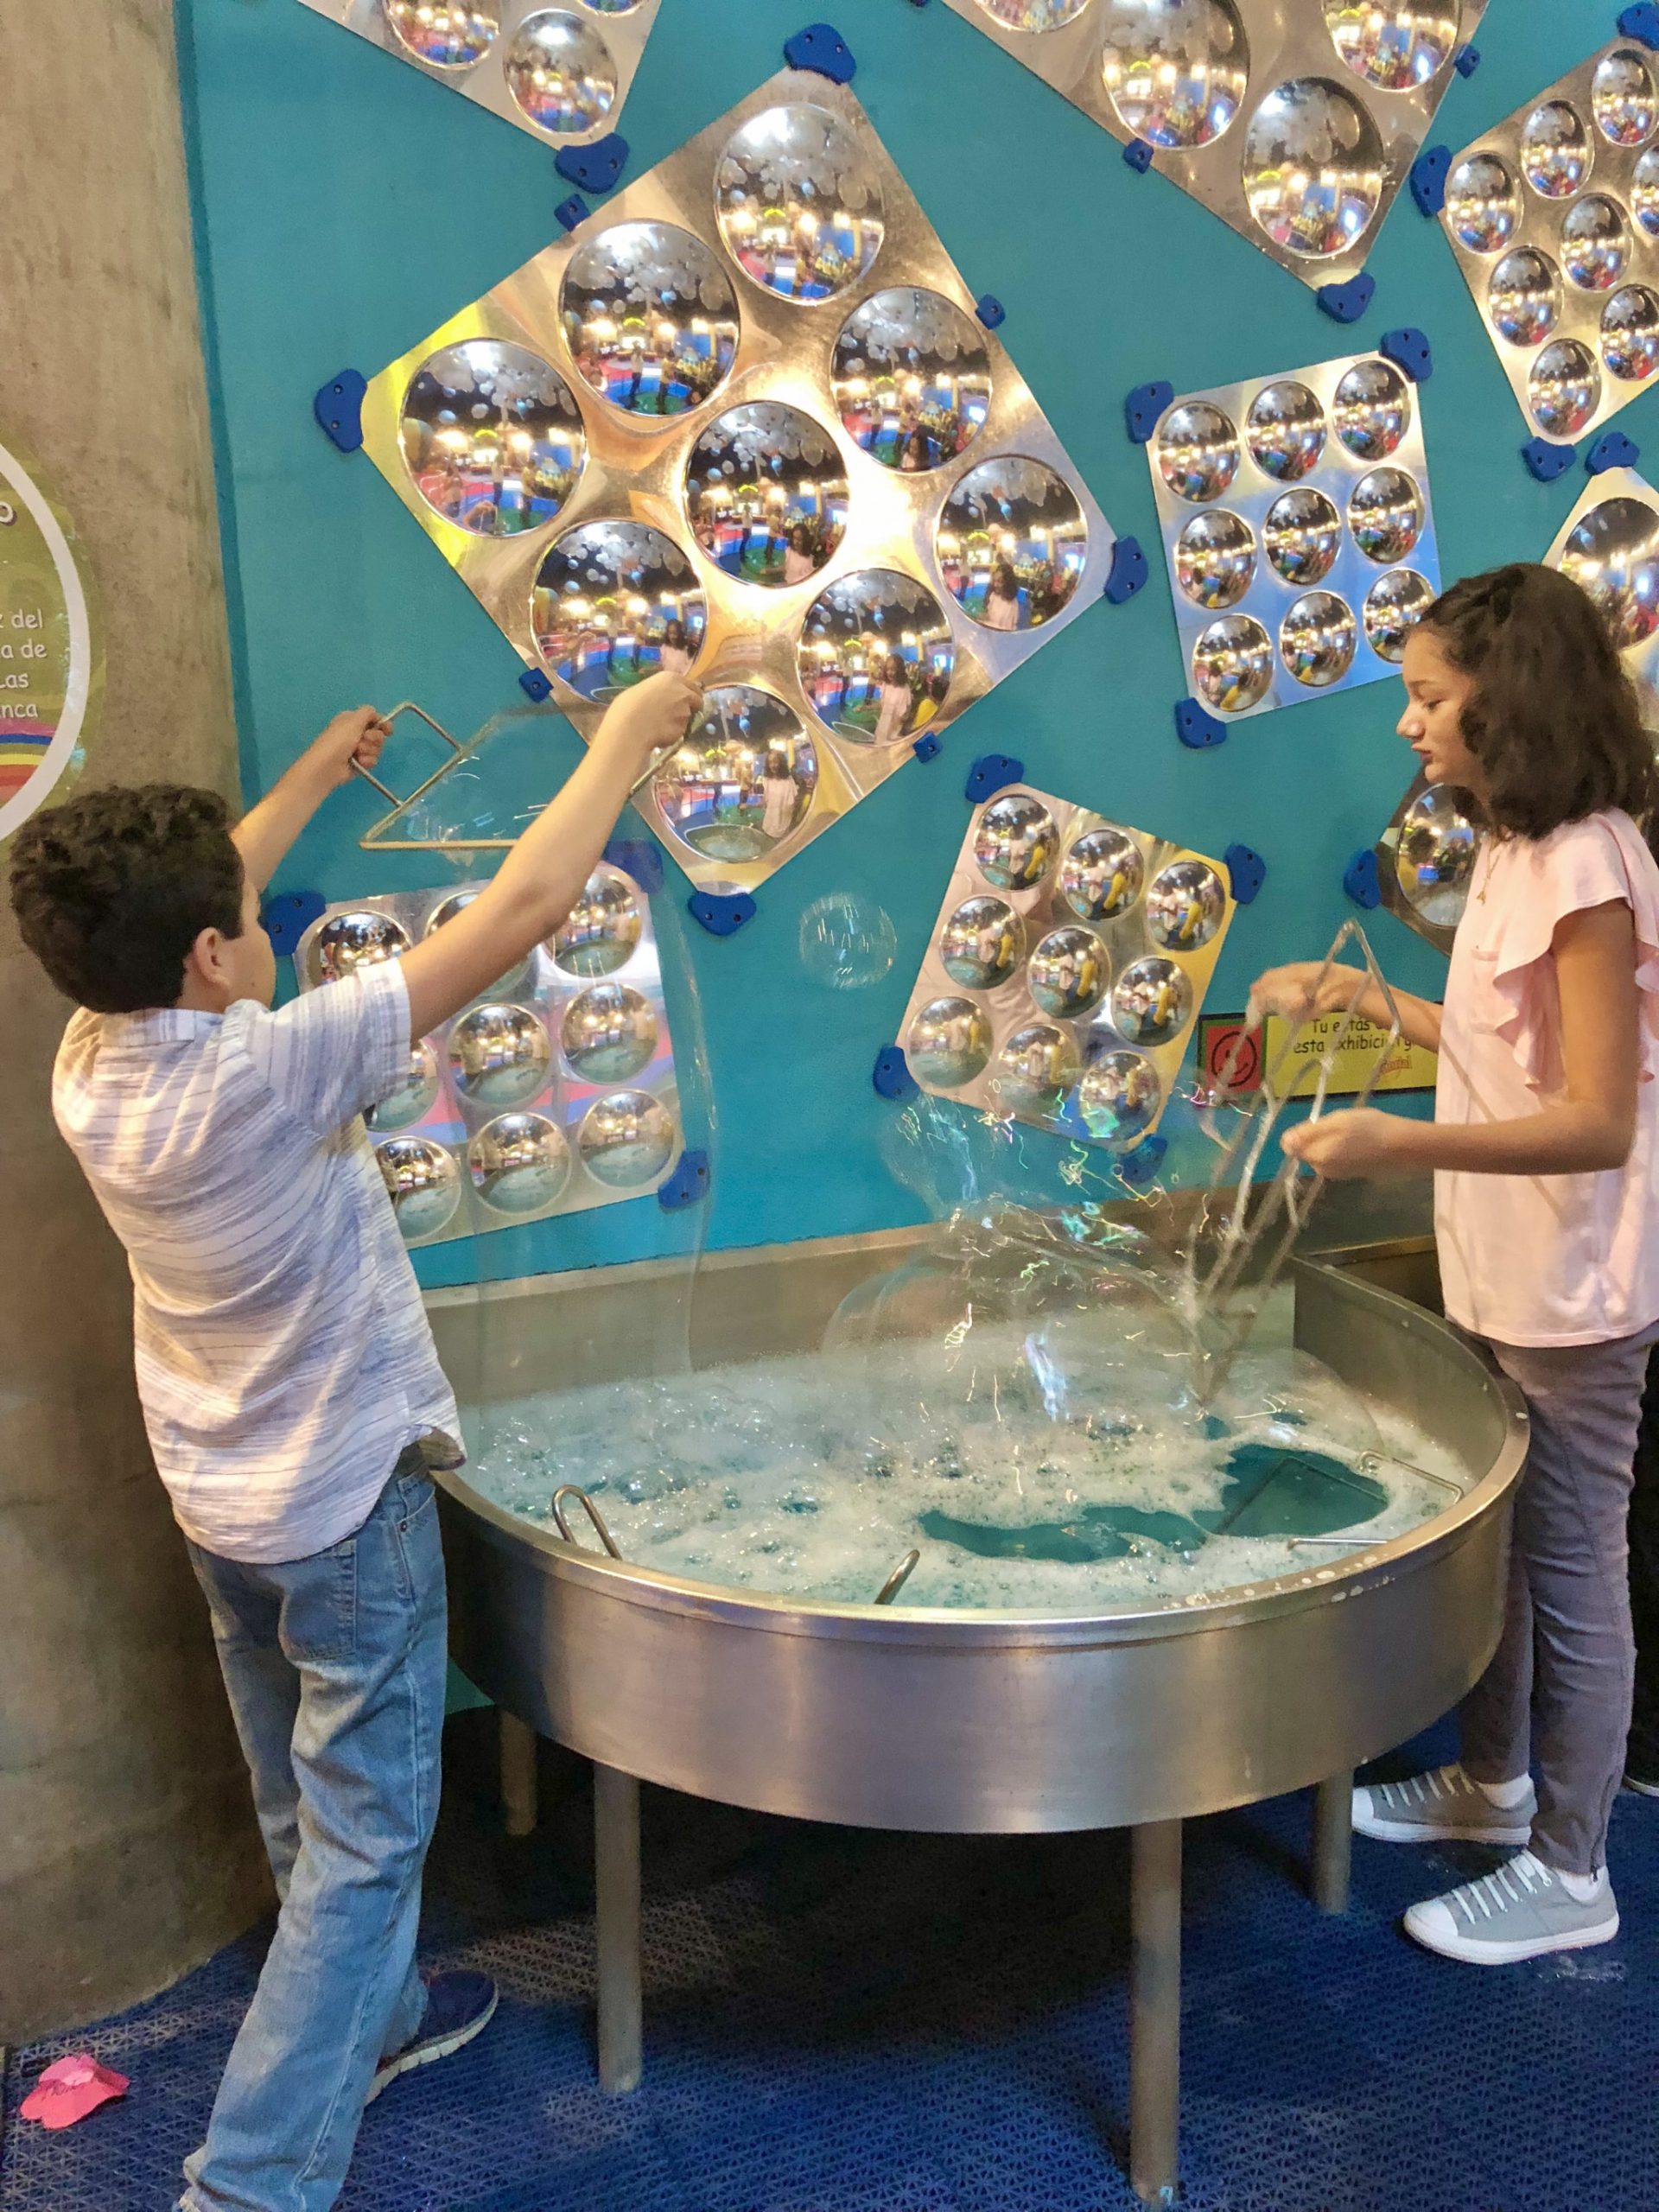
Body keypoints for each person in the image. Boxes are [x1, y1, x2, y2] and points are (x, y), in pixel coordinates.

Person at [7, 671, 702, 2211]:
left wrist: (317, 771)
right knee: (368, 1843)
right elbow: (524, 908)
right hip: (342, 1508)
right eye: (236, 914)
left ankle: (371, 2022)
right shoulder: (272, 1064)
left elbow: (200, 897)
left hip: (219, 1498)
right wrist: (622, 743)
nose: (260, 919)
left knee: (296, 1794)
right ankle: (249, 2183)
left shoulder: (92, 1058)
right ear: (208, 955)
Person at [1251, 563, 1659, 1966]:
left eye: (1430, 698)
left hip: (1573, 1294)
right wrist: (1369, 1001)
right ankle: (1493, 1788)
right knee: (1510, 1552)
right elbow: (1499, 1052)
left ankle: (1575, 1866)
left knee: (1570, 1563)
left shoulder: (1594, 866)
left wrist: (1396, 1152)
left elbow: (1599, 1117)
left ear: (1514, 702)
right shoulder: (1509, 843)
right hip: (1497, 1273)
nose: (1409, 725)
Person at [872, 653, 912, 746]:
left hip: (895, 732)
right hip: (882, 727)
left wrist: (894, 725)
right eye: (888, 669)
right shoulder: (886, 685)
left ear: (899, 670)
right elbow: (882, 704)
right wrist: (866, 707)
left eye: (893, 669)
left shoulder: (904, 688)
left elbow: (906, 713)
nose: (889, 672)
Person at [982, 558, 1021, 632]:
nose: (996, 585)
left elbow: (1006, 629)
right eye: (995, 581)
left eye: (1000, 582)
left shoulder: (1012, 604)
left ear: (1007, 582)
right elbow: (989, 617)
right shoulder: (993, 596)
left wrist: (986, 624)